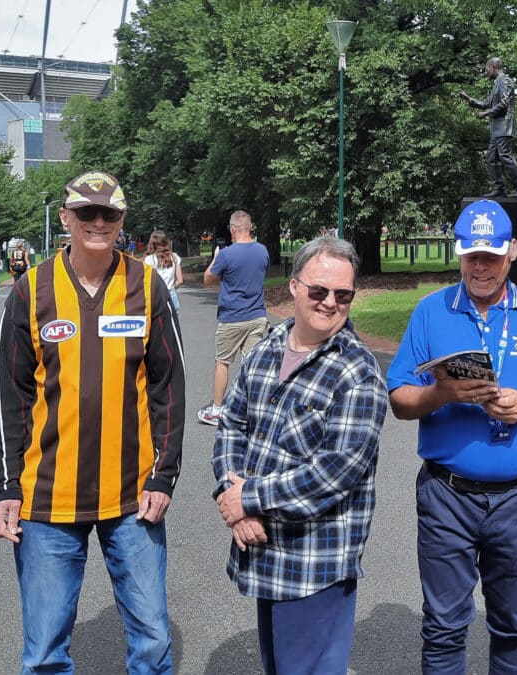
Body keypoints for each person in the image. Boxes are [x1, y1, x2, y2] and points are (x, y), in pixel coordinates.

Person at [0, 170, 186, 674]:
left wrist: (163, 475)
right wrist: (4, 487)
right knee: (45, 652)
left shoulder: (146, 286)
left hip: (133, 494)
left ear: (122, 220)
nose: (98, 222)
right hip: (47, 496)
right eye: (86, 213)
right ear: (65, 218)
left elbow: (169, 390)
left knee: (152, 642)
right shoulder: (31, 291)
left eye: (110, 213)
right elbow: (10, 397)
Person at [386, 200, 517, 673]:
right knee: (444, 626)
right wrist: (442, 395)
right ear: (459, 253)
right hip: (447, 495)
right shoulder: (431, 311)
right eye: (472, 256)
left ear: (511, 251)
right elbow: (400, 400)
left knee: (513, 624)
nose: (481, 267)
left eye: (491, 254)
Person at [211, 236, 388, 674]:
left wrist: (247, 498)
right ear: (293, 287)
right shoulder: (267, 349)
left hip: (314, 565)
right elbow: (232, 425)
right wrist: (234, 500)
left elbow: (333, 472)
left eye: (343, 295)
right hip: (263, 552)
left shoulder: (358, 372)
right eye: (319, 291)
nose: (330, 303)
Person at [197, 210, 270, 426]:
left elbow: (207, 279)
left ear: (233, 229)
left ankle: (217, 410)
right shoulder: (262, 251)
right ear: (250, 227)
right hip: (257, 315)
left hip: (232, 317)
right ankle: (253, 409)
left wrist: (216, 259)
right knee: (252, 363)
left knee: (223, 362)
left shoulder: (227, 254)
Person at [458, 57, 517, 198]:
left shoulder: (506, 81)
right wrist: (468, 99)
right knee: (491, 158)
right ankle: (499, 188)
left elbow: (503, 104)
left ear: (493, 67)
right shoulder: (496, 84)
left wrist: (486, 113)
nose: (485, 72)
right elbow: (486, 103)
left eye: (486, 69)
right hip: (496, 129)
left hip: (504, 126)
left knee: (505, 157)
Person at [143, 230, 184, 313]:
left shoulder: (149, 260)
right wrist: (171, 288)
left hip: (156, 297)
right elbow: (180, 281)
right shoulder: (174, 257)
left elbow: (146, 281)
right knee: (172, 324)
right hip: (171, 295)